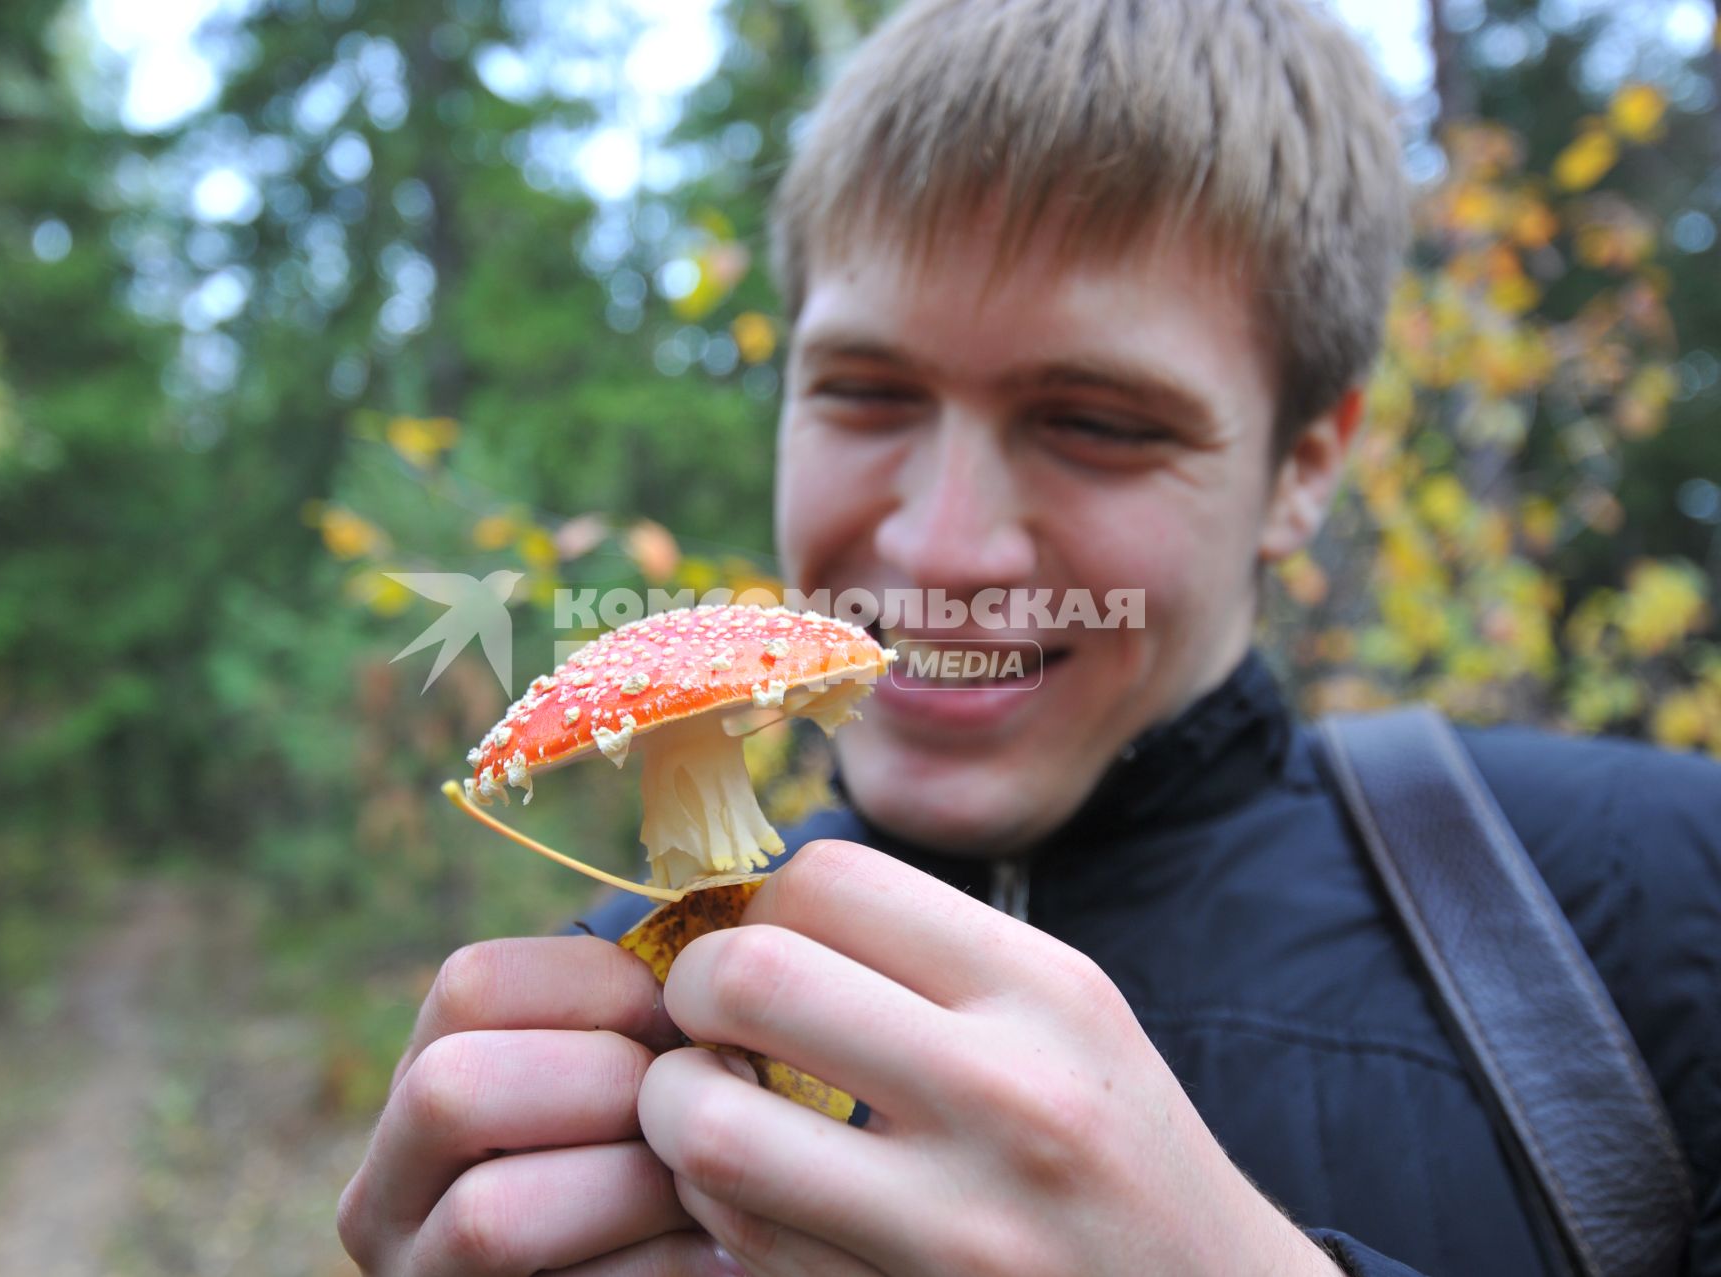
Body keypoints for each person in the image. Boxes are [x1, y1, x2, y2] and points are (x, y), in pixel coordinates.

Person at [336, 0, 1721, 1273]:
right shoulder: (623, 991)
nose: (944, 548)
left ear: (1304, 465)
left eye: (1099, 422)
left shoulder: (1653, 906)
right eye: (868, 394)